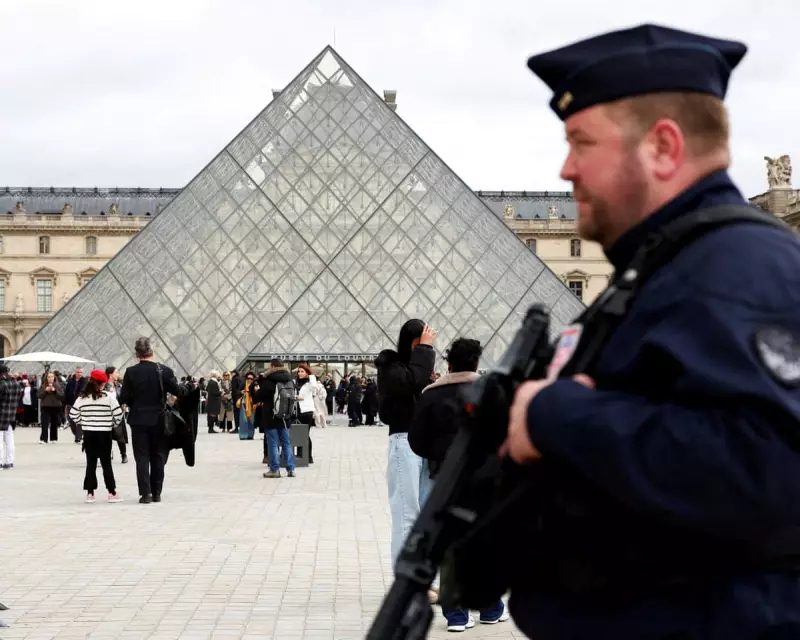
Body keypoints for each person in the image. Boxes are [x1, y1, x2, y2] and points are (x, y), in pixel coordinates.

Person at [498, 24, 800, 639]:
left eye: (582, 142)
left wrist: (559, 415)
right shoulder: (669, 268)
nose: (566, 168)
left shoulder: (736, 268)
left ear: (663, 147)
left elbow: (769, 468)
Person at [408, 337, 507, 631]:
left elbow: (416, 441)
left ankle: (457, 615)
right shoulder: (491, 391)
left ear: (448, 363)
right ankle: (490, 607)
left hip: (445, 479)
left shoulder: (430, 395)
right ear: (477, 362)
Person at [375, 319, 436, 567]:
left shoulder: (413, 367)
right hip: (404, 442)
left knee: (422, 514)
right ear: (415, 341)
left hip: (424, 444)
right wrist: (425, 350)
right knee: (406, 513)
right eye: (425, 341)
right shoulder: (391, 366)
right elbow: (411, 381)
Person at [119, 337, 185, 504]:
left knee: (142, 458)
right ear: (152, 353)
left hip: (139, 420)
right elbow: (178, 391)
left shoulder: (130, 372)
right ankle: (157, 493)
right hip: (159, 420)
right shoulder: (164, 370)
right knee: (158, 456)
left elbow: (124, 397)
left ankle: (145, 494)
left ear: (136, 354)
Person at [69, 370, 124, 504]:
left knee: (91, 464)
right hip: (104, 433)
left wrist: (83, 422)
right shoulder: (109, 397)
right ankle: (111, 492)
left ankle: (90, 493)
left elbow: (73, 414)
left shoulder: (82, 398)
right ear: (103, 383)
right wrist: (111, 423)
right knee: (106, 464)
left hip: (89, 434)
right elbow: (118, 415)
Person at [254, 359, 296, 478]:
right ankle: (291, 469)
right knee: (286, 443)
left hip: (271, 416)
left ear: (272, 366)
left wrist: (259, 385)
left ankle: (275, 470)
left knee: (272, 444)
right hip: (285, 416)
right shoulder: (289, 379)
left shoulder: (268, 381)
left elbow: (257, 398)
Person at [104, 366, 127, 463]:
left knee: (120, 436)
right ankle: (108, 453)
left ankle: (123, 454)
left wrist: (124, 406)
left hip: (117, 414)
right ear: (110, 375)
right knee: (107, 436)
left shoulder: (118, 385)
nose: (118, 374)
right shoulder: (104, 386)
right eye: (116, 372)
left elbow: (122, 398)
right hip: (107, 414)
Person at [295, 363, 316, 463]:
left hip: (307, 411)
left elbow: (314, 387)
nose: (300, 373)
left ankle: (308, 456)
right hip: (297, 410)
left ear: (307, 373)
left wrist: (311, 375)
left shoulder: (310, 383)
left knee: (305, 434)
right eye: (299, 371)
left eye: (302, 371)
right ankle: (300, 455)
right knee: (298, 433)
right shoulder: (296, 382)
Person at [0, 365, 20, 470]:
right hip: (11, 415)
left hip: (1, 415)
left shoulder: (2, 384)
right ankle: (9, 462)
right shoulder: (16, 384)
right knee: (9, 440)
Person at [38, 371, 64, 443]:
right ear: (46, 378)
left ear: (54, 377)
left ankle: (53, 438)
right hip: (45, 406)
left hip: (56, 406)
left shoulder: (58, 385)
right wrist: (45, 391)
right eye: (49, 377)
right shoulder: (43, 385)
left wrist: (55, 391)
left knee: (54, 423)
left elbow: (61, 396)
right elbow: (39, 396)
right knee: (44, 423)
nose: (50, 378)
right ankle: (43, 439)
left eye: (52, 377)